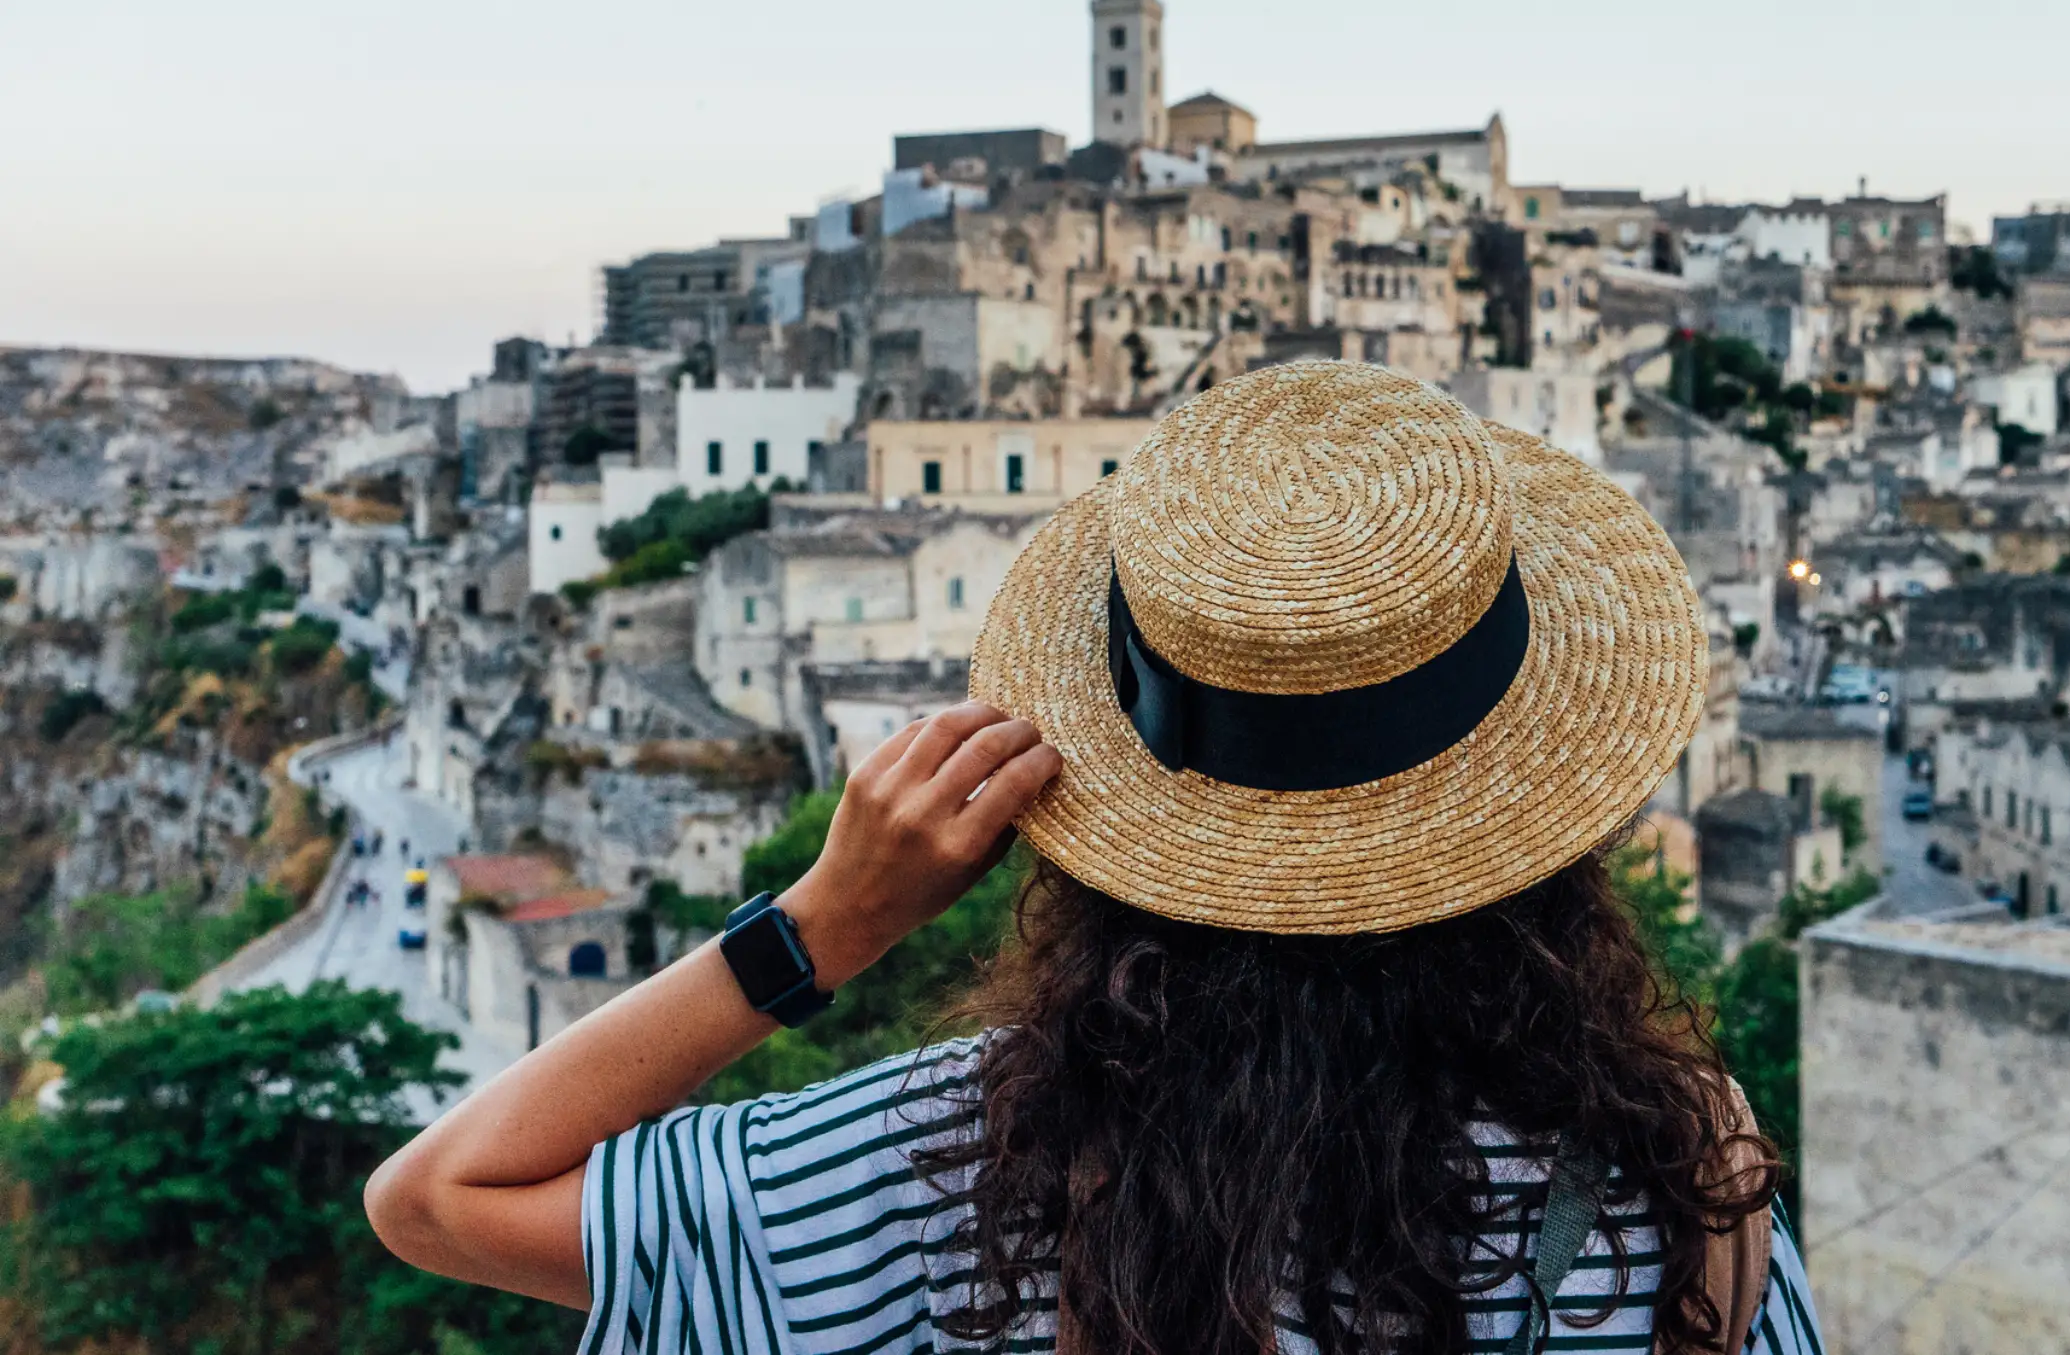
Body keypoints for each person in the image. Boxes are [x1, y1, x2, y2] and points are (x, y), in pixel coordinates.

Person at [366, 362, 1826, 1355]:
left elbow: (440, 1196)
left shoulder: (944, 1180)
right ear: (1541, 814)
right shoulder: (1682, 1176)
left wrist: (824, 920)